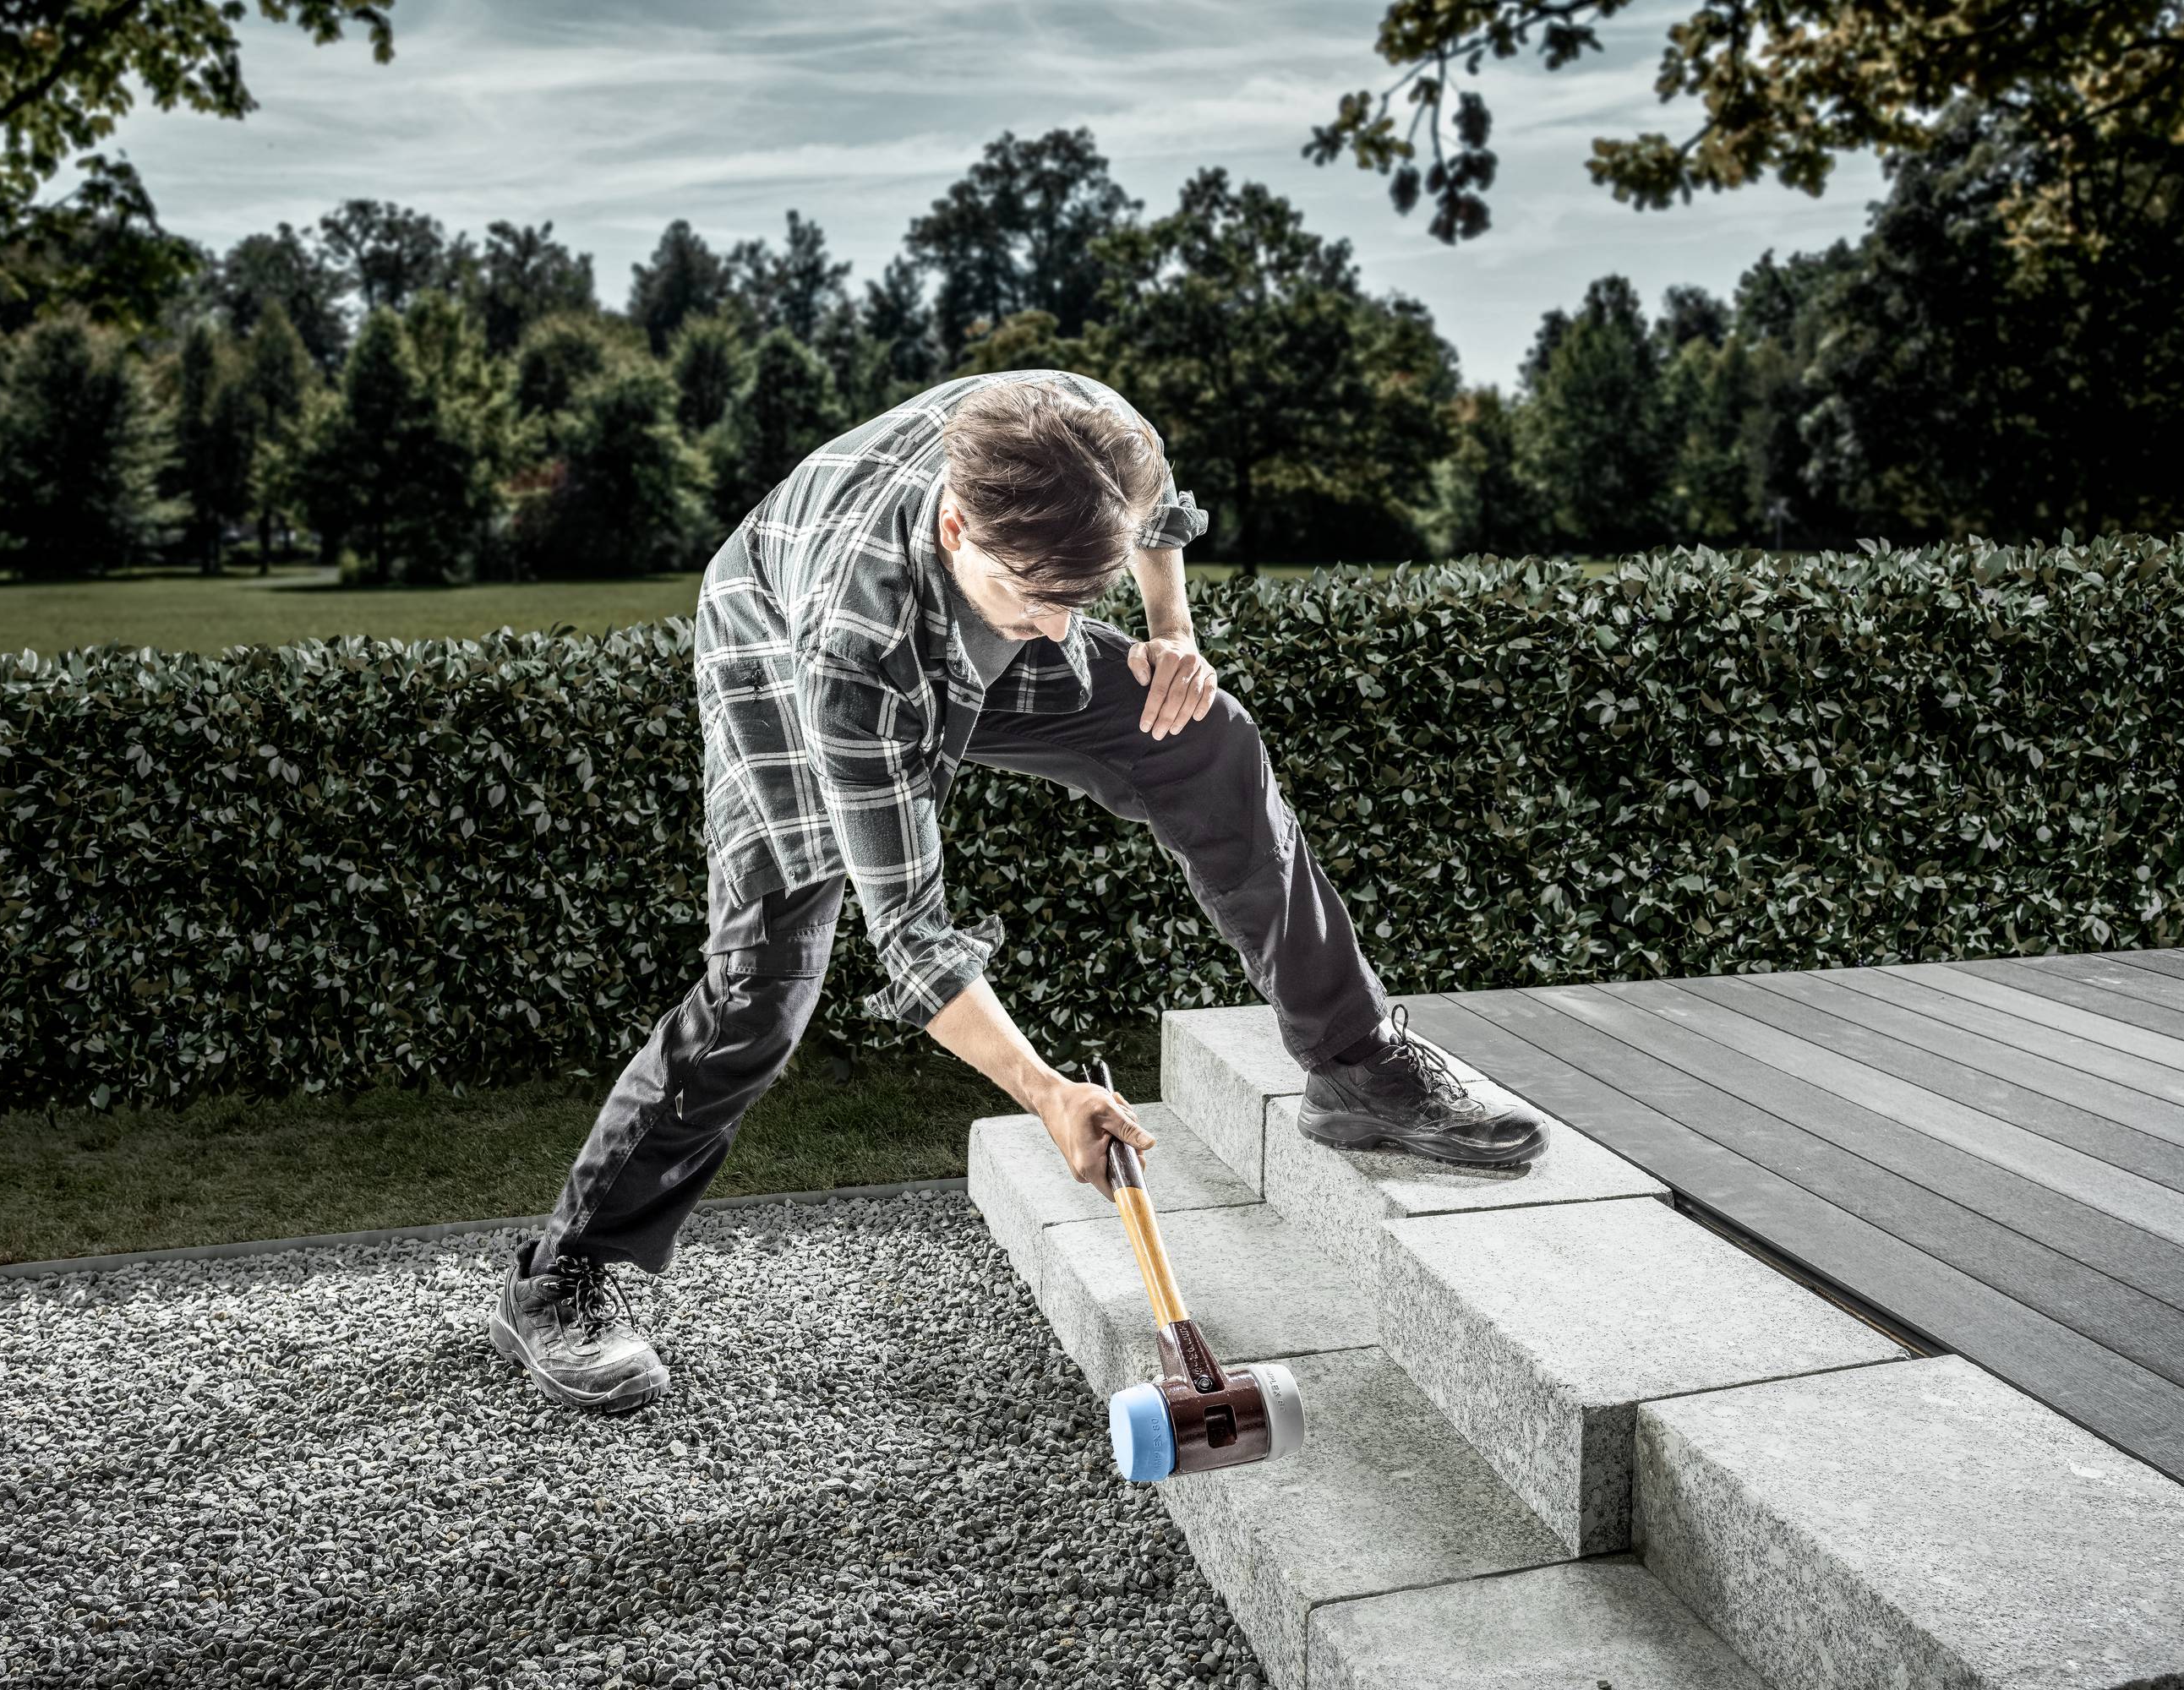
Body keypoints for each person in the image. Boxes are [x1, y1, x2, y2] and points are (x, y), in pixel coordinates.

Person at [489, 369, 1548, 1413]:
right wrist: (1047, 1090)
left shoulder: (1089, 434)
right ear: (958, 531)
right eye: (1038, 597)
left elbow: (1152, 510)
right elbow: (910, 933)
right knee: (769, 974)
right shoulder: (853, 647)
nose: (1057, 629)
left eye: (1077, 598)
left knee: (1205, 736)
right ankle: (559, 1273)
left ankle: (1356, 1061)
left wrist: (1168, 628)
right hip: (776, 628)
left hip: (961, 595)